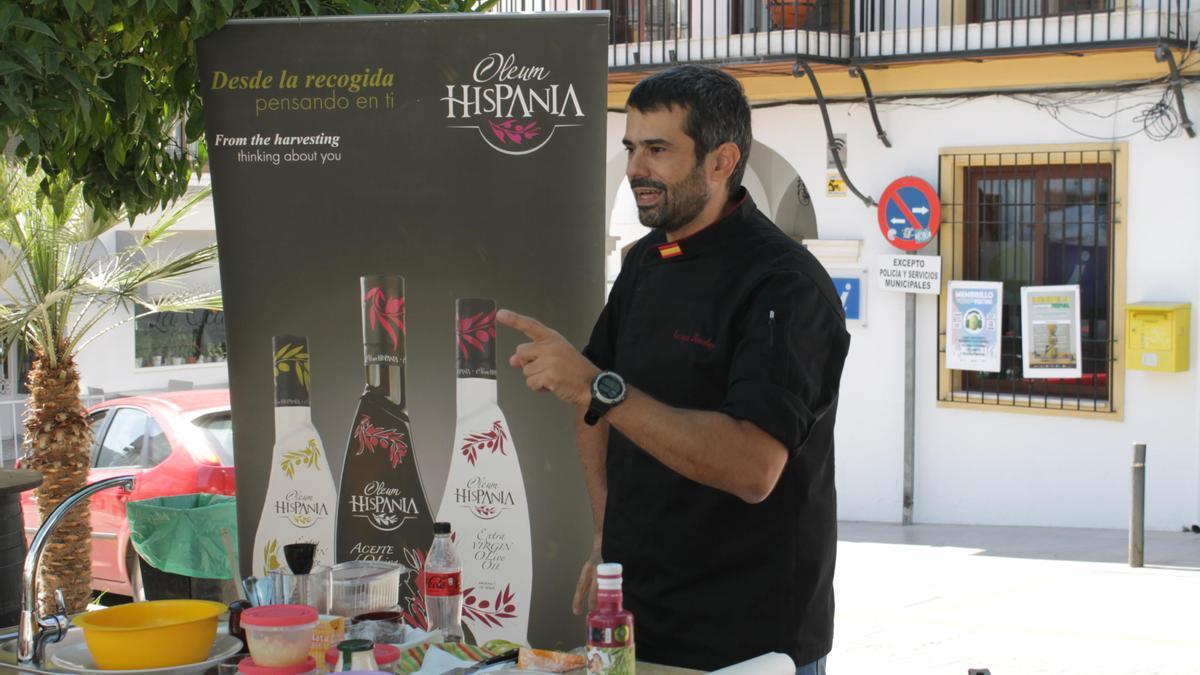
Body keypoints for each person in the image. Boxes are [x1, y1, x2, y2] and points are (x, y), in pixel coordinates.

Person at [496, 64, 850, 674]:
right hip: (643, 624)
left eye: (658, 149)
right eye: (632, 148)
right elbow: (595, 404)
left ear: (721, 160)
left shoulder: (784, 286)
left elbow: (752, 467)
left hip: (749, 642)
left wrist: (597, 386)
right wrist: (608, 536)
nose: (635, 168)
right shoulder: (647, 264)